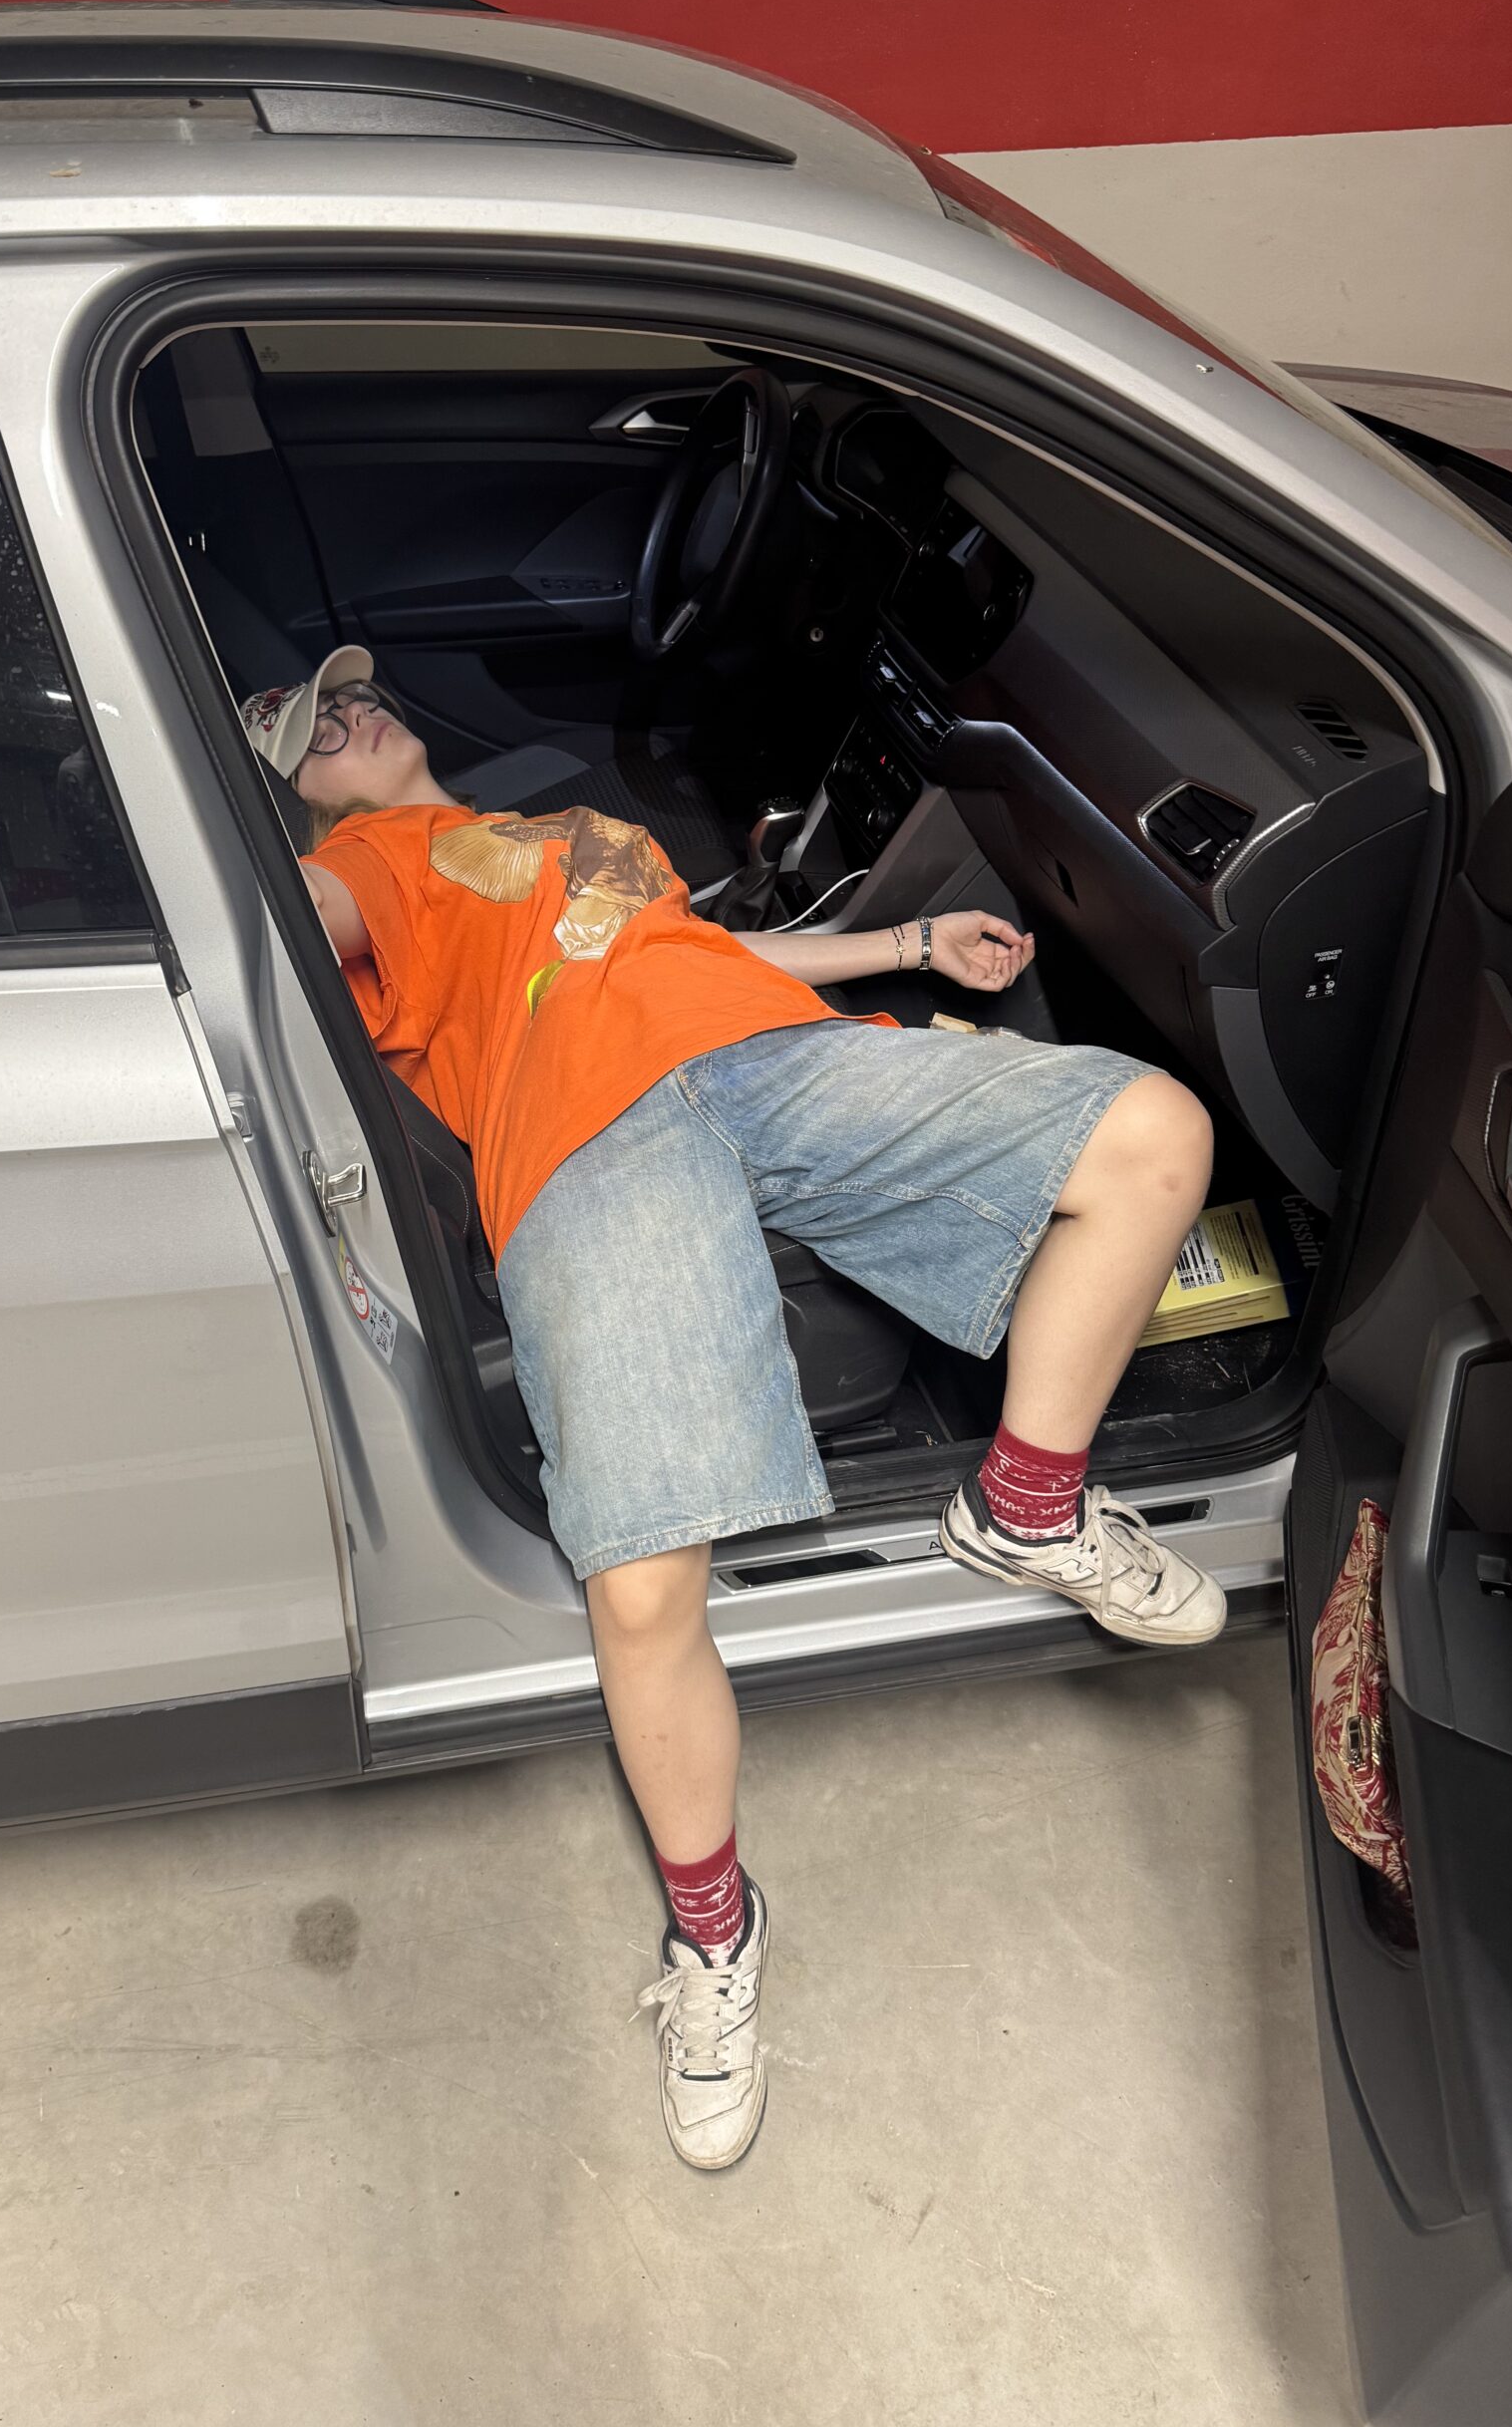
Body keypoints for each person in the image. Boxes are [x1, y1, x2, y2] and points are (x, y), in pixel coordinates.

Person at [242, 648, 1224, 2173]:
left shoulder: (571, 831)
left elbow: (701, 948)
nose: (349, 716)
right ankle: (715, 1937)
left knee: (1157, 1135)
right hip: (590, 1140)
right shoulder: (371, 862)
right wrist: (254, 878)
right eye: (313, 735)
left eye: (350, 694)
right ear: (297, 804)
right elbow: (284, 930)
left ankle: (1026, 1505)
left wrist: (909, 939)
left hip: (766, 1055)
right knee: (641, 1585)